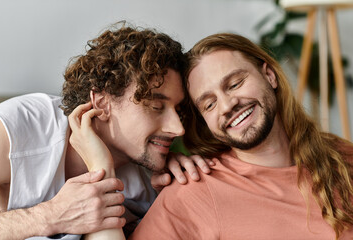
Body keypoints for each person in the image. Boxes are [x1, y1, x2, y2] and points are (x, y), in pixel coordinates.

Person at [0, 22, 211, 240]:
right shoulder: (19, 128)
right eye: (156, 107)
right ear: (102, 103)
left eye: (179, 111)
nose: (178, 128)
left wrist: (170, 197)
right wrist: (50, 215)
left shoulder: (153, 178)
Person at [130, 33, 353, 240]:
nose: (227, 105)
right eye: (209, 104)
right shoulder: (194, 192)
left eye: (235, 84)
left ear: (269, 75)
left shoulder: (343, 158)